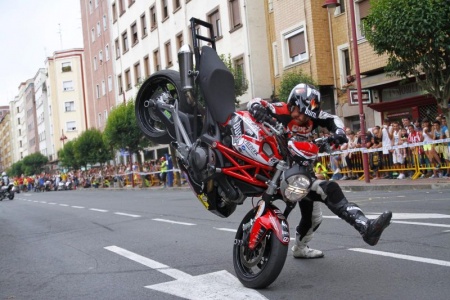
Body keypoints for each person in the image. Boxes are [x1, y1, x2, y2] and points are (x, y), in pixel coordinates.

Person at [248, 83, 392, 258]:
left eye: (306, 116)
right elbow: (257, 102)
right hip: (275, 170)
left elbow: (332, 119)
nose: (301, 118)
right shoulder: (281, 109)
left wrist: (339, 132)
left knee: (316, 215)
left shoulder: (312, 116)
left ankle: (303, 247)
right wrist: (256, 108)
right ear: (292, 104)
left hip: (302, 175)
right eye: (298, 112)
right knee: (325, 191)